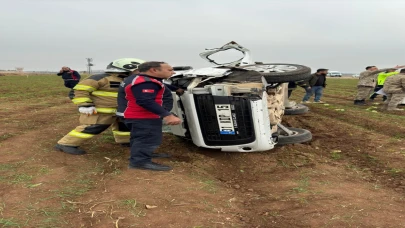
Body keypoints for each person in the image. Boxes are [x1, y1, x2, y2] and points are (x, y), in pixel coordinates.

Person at [55, 58, 146, 155]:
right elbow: (78, 91)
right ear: (127, 68)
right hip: (99, 111)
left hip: (120, 110)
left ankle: (125, 141)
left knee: (124, 126)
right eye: (140, 70)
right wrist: (85, 105)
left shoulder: (130, 80)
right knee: (93, 127)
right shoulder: (100, 78)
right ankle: (66, 144)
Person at [119, 61, 182, 171]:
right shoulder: (145, 82)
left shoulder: (140, 79)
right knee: (147, 139)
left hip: (137, 116)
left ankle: (143, 155)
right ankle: (140, 162)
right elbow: (145, 101)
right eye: (169, 70)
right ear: (154, 70)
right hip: (143, 117)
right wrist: (167, 115)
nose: (173, 72)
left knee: (140, 138)